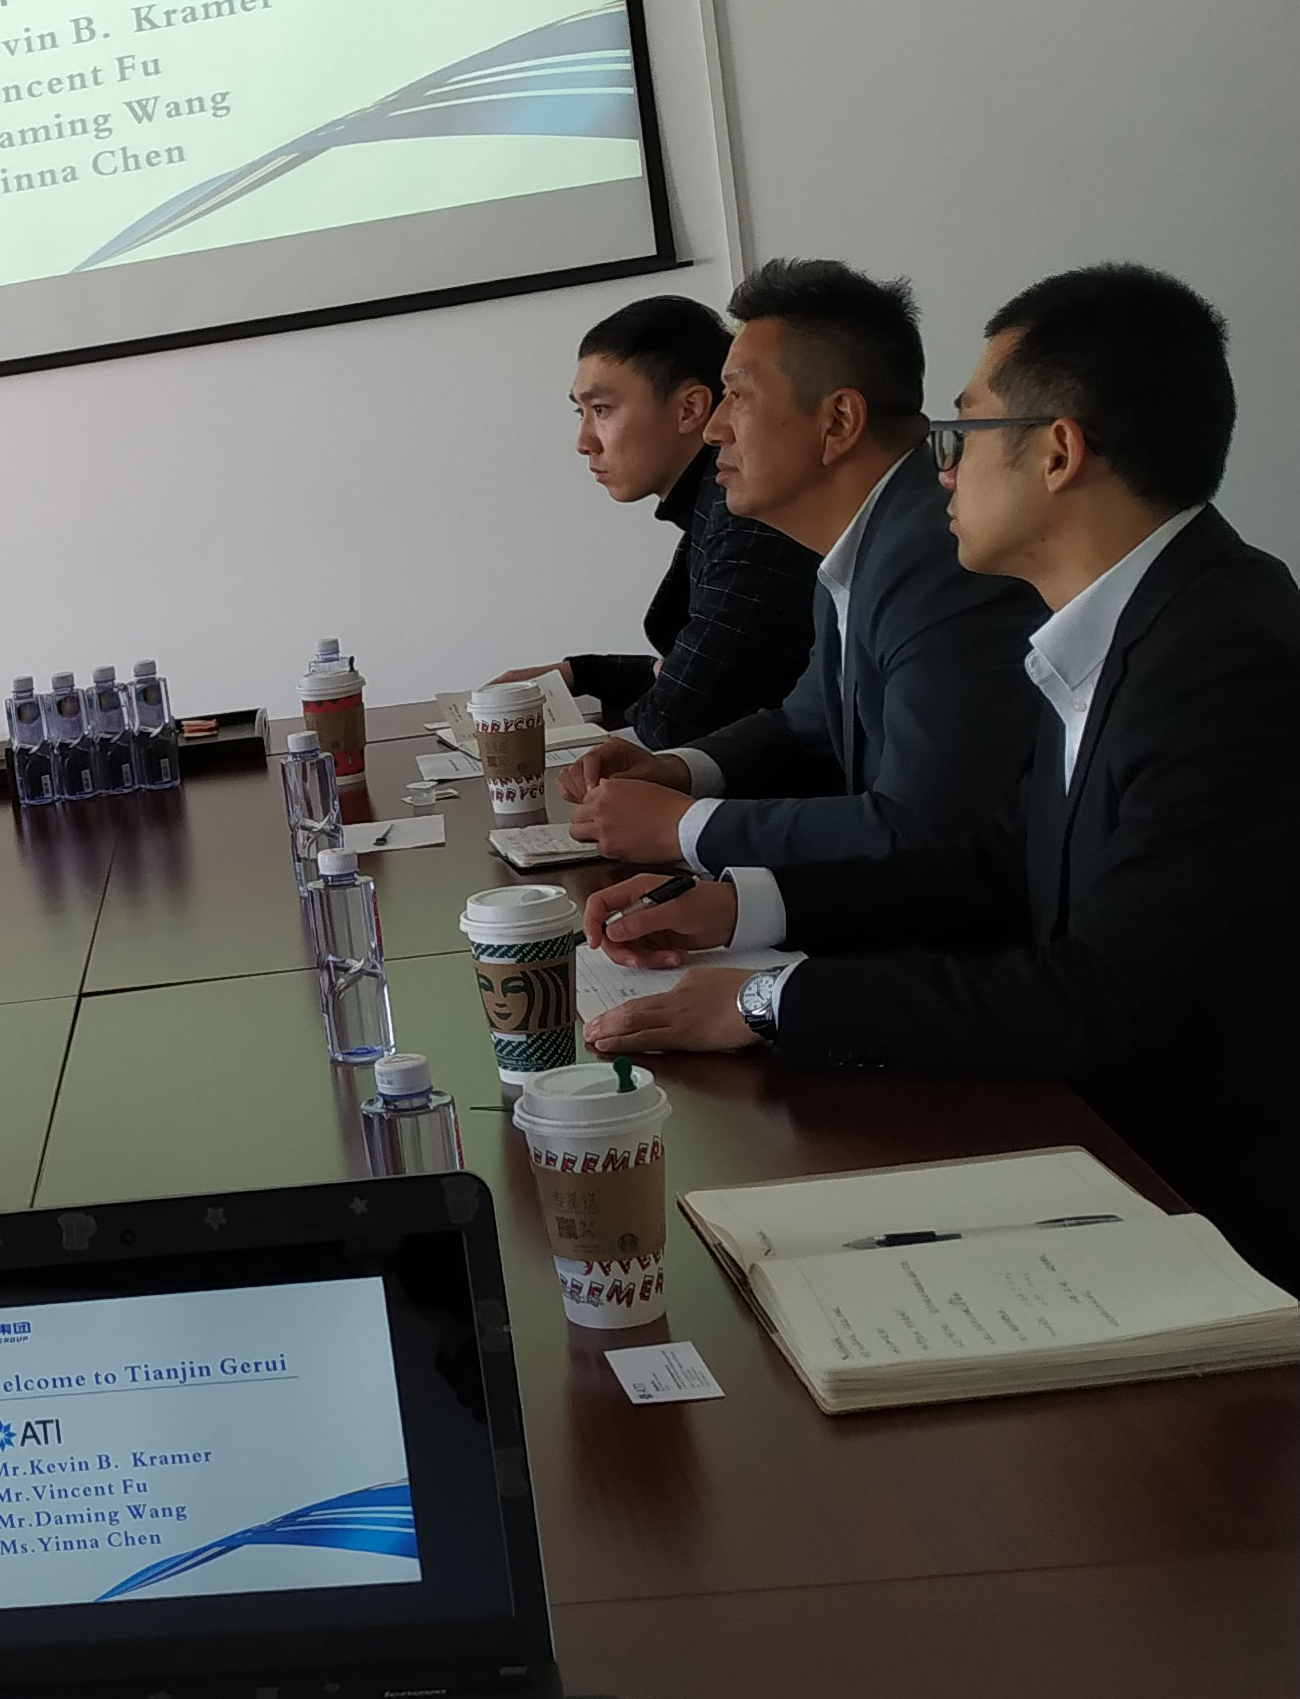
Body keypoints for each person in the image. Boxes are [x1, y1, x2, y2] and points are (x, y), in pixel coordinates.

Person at [585, 266, 1300, 1286]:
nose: (942, 469)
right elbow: (1004, 861)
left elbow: (1106, 997)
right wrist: (742, 906)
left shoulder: (1218, 653)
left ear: (1059, 452)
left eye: (963, 434)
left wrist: (771, 1002)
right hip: (1111, 1142)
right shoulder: (1132, 620)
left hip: (1212, 1213)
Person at [562, 256, 1040, 871]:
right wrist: (677, 769)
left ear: (838, 421)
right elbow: (802, 726)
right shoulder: (863, 539)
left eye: (736, 396)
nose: (714, 429)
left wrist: (684, 829)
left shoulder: (941, 561)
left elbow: (924, 828)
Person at [549, 293, 819, 750]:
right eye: (581, 412)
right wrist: (584, 673)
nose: (584, 441)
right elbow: (695, 672)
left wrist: (661, 679)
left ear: (690, 409)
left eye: (602, 410)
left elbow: (677, 721)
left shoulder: (747, 516)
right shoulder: (712, 506)